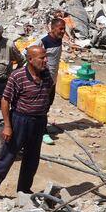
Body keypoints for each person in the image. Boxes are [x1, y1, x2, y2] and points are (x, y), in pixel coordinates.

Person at [0, 45, 54, 203]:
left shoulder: (46, 74)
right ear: (30, 59)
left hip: (39, 121)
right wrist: (8, 126)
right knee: (8, 155)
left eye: (46, 57)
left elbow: (48, 91)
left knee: (32, 158)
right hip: (20, 120)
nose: (45, 60)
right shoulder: (17, 76)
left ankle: (24, 189)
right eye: (42, 58)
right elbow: (5, 100)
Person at [30, 17, 67, 145]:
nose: (63, 31)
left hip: (53, 80)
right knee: (41, 106)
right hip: (43, 80)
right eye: (60, 29)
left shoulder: (59, 40)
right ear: (52, 28)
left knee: (47, 105)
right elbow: (27, 52)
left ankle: (38, 127)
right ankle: (42, 131)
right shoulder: (44, 41)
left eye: (64, 29)